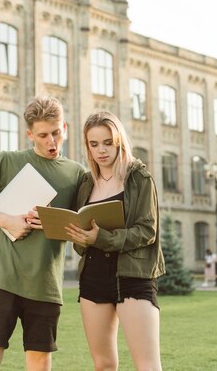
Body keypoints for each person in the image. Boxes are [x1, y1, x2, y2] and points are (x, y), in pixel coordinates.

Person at [0, 96, 86, 371]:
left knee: (39, 362)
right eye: (42, 135)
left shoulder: (77, 173)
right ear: (30, 134)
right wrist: (8, 221)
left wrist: (57, 221)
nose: (51, 141)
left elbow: (82, 226)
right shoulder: (7, 160)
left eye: (56, 132)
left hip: (46, 282)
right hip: (3, 276)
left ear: (64, 126)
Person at [64, 111, 165, 371]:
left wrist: (102, 237)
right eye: (94, 144)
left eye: (108, 142)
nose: (101, 150)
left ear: (119, 140)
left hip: (133, 276)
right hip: (93, 278)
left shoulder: (139, 178)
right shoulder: (86, 184)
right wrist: (82, 238)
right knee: (104, 365)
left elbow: (147, 231)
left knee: (148, 366)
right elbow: (81, 241)